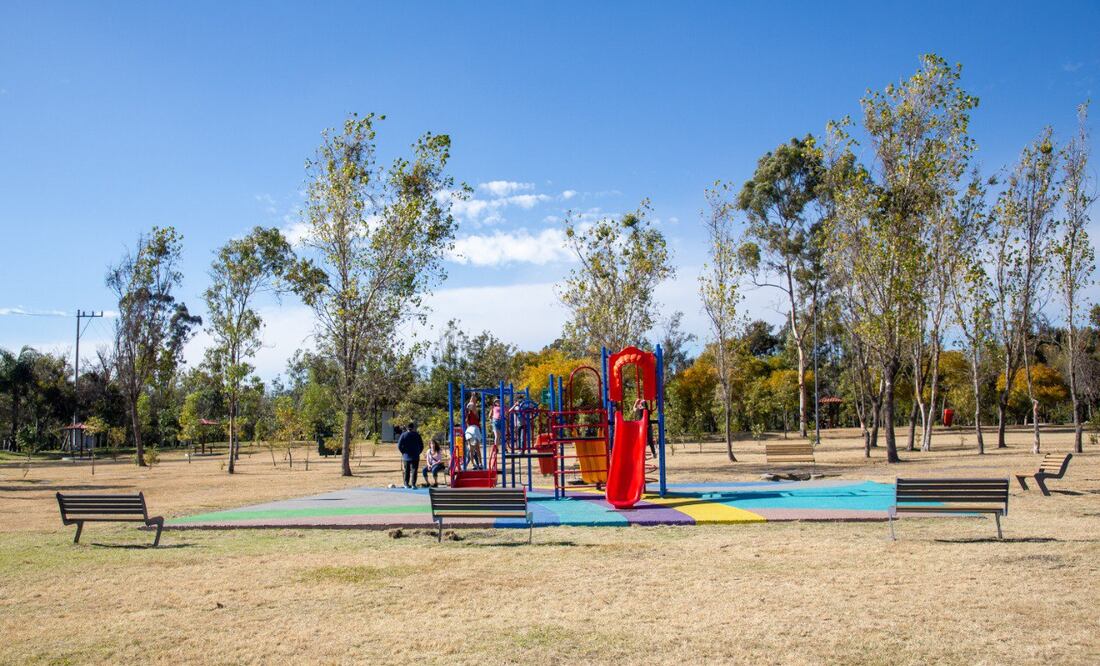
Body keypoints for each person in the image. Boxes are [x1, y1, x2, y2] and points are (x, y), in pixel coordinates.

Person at [396, 421, 424, 488]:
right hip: (415, 456)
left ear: (407, 427)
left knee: (407, 470)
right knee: (414, 470)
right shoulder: (417, 435)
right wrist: (418, 452)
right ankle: (413, 484)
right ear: (413, 427)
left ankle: (406, 484)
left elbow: (399, 445)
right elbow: (421, 445)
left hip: (406, 456)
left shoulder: (403, 435)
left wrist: (403, 452)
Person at [464, 393, 483, 469]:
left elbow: (473, 404)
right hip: (470, 430)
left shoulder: (475, 413)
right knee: (471, 450)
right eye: (470, 406)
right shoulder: (467, 414)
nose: (471, 407)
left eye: (472, 406)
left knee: (477, 448)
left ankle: (480, 463)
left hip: (475, 430)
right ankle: (473, 464)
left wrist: (473, 395)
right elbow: (470, 405)